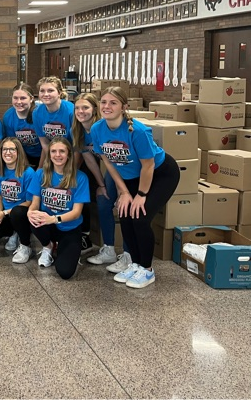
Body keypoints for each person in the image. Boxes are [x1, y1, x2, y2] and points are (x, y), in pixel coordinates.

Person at [91, 87, 180, 288]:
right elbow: (109, 163)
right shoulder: (97, 129)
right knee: (125, 214)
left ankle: (147, 270)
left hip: (160, 174)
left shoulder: (137, 131)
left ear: (124, 107)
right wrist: (123, 192)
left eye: (113, 103)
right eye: (103, 102)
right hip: (130, 177)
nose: (107, 106)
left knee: (139, 217)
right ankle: (135, 263)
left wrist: (141, 194)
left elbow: (148, 165)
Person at [23, 136, 89, 280]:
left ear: (69, 154)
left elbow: (77, 213)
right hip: (47, 225)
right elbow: (35, 202)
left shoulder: (80, 177)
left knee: (65, 272)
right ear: (49, 154)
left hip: (69, 228)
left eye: (62, 151)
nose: (57, 155)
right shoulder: (41, 174)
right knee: (33, 218)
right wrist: (30, 212)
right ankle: (48, 246)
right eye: (53, 151)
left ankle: (68, 250)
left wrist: (53, 219)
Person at [72, 92, 115, 260]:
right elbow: (89, 160)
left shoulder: (103, 127)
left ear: (95, 109)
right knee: (94, 194)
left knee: (105, 201)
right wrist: (101, 185)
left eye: (85, 107)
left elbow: (112, 161)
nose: (80, 111)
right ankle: (90, 238)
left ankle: (112, 248)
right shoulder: (77, 129)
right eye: (77, 108)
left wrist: (112, 187)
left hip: (117, 167)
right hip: (99, 168)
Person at [2, 83, 42, 168]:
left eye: (23, 98)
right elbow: (15, 144)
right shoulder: (8, 116)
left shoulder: (40, 112)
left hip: (45, 154)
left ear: (31, 99)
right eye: (15, 98)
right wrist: (26, 165)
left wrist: (41, 167)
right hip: (24, 155)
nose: (19, 102)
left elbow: (47, 143)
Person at [33, 76, 75, 158]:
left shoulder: (71, 111)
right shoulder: (37, 113)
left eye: (50, 90)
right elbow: (44, 142)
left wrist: (71, 167)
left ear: (59, 93)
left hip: (73, 153)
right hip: (55, 155)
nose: (46, 94)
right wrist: (53, 160)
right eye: (42, 91)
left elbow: (77, 145)